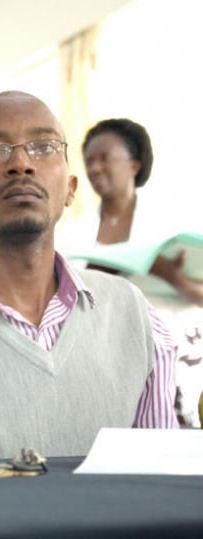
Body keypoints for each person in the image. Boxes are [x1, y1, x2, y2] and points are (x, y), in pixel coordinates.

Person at [0, 91, 178, 460]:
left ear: (71, 189)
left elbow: (158, 487)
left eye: (43, 147)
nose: (21, 164)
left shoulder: (134, 316)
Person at [81, 119, 203, 427]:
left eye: (104, 158)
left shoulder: (174, 219)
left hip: (177, 348)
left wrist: (170, 275)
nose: (95, 168)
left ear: (134, 165)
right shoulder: (75, 230)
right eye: (89, 161)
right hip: (106, 351)